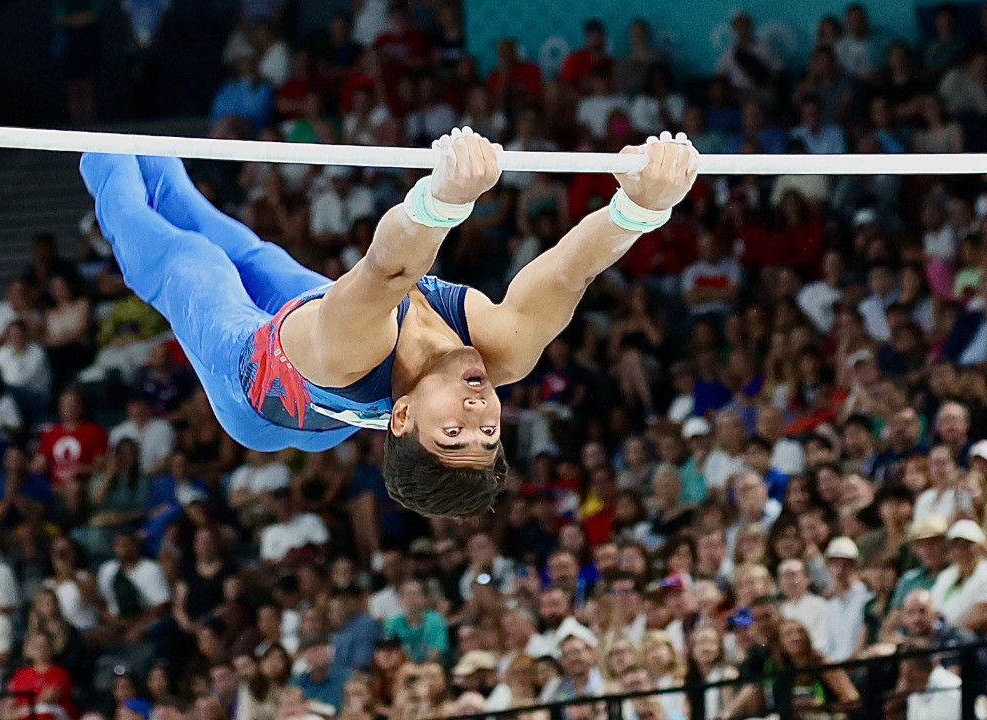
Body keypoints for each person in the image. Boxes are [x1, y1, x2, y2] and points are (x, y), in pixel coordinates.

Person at [79, 129, 699, 518]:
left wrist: (446, 199)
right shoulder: (500, 354)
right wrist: (640, 206)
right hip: (322, 381)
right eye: (487, 438)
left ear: (401, 417)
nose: (480, 421)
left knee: (191, 259)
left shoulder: (353, 352)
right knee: (246, 251)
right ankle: (146, 138)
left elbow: (386, 269)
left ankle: (93, 140)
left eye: (453, 433)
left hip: (257, 391)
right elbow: (569, 275)